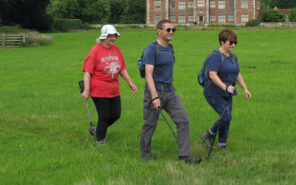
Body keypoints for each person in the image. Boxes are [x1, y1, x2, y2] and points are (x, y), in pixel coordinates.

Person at [140, 20, 201, 163]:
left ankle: (185, 156)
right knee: (150, 124)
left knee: (183, 120)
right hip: (154, 92)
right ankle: (145, 155)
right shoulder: (151, 49)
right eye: (168, 30)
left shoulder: (170, 48)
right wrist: (154, 97)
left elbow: (169, 70)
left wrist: (172, 87)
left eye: (173, 29)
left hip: (170, 92)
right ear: (158, 31)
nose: (171, 32)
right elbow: (148, 75)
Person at [82, 24, 137, 145]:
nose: (113, 39)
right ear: (103, 37)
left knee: (116, 114)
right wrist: (86, 90)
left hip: (113, 89)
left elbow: (122, 69)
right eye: (110, 36)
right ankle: (100, 141)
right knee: (104, 116)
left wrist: (130, 83)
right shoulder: (95, 51)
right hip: (98, 88)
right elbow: (87, 72)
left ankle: (97, 129)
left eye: (114, 36)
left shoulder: (116, 50)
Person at [201, 29, 251, 149]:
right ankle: (209, 134)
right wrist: (225, 87)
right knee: (226, 116)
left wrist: (245, 88)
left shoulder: (233, 57)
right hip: (214, 92)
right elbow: (212, 74)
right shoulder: (216, 56)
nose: (233, 45)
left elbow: (237, 73)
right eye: (231, 42)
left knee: (227, 119)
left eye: (235, 42)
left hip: (229, 91)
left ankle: (222, 145)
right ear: (222, 42)